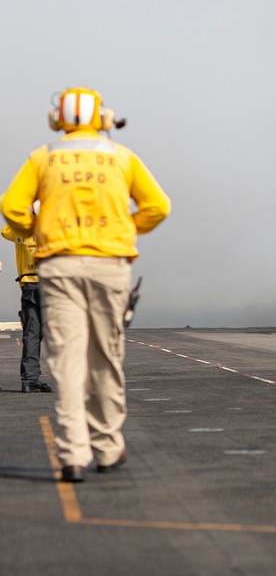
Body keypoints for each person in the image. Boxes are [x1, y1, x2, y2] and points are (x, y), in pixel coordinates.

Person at [1, 87, 170, 483]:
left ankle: (73, 455)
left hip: (58, 269)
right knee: (105, 357)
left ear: (57, 120)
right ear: (103, 119)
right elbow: (158, 207)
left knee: (67, 360)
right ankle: (109, 447)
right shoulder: (121, 157)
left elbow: (11, 207)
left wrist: (37, 229)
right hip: (109, 266)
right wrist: (127, 229)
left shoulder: (44, 157)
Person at [2, 218, 52, 392]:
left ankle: (29, 380)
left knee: (31, 333)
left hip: (29, 286)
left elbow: (5, 231)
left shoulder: (20, 230)